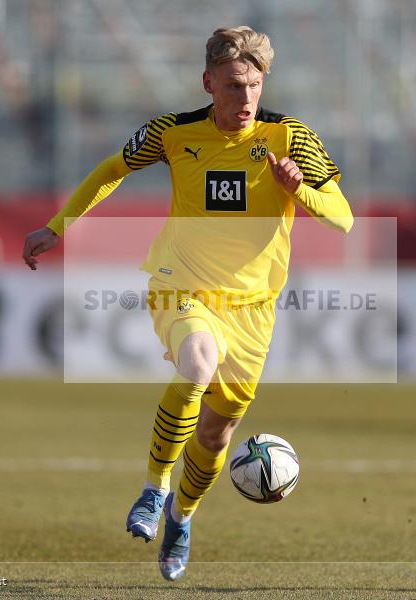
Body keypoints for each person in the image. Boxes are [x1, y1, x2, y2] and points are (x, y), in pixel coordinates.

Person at [21, 26, 353, 580]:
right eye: (231, 86)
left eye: (253, 84)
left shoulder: (290, 137)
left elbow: (341, 216)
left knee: (216, 435)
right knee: (196, 363)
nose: (245, 99)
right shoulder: (173, 134)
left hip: (253, 310)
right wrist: (59, 227)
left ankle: (181, 517)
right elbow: (111, 170)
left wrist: (300, 190)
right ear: (208, 83)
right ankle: (154, 491)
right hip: (183, 285)